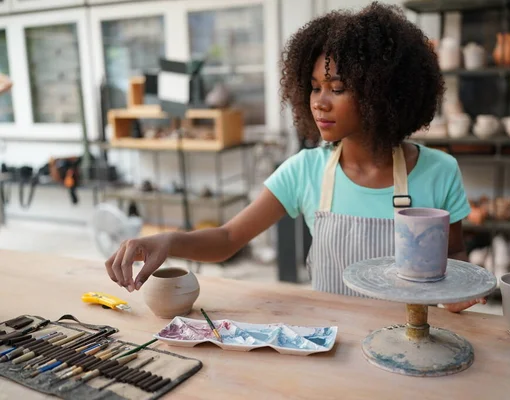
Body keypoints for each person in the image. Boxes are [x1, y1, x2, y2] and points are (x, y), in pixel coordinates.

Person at [105, 2, 484, 313]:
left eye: (337, 88)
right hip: (335, 345)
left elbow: (453, 257)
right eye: (315, 87)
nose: (319, 101)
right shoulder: (305, 170)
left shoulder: (439, 172)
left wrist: (459, 295)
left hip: (408, 343)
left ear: (381, 94)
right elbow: (227, 238)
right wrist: (169, 241)